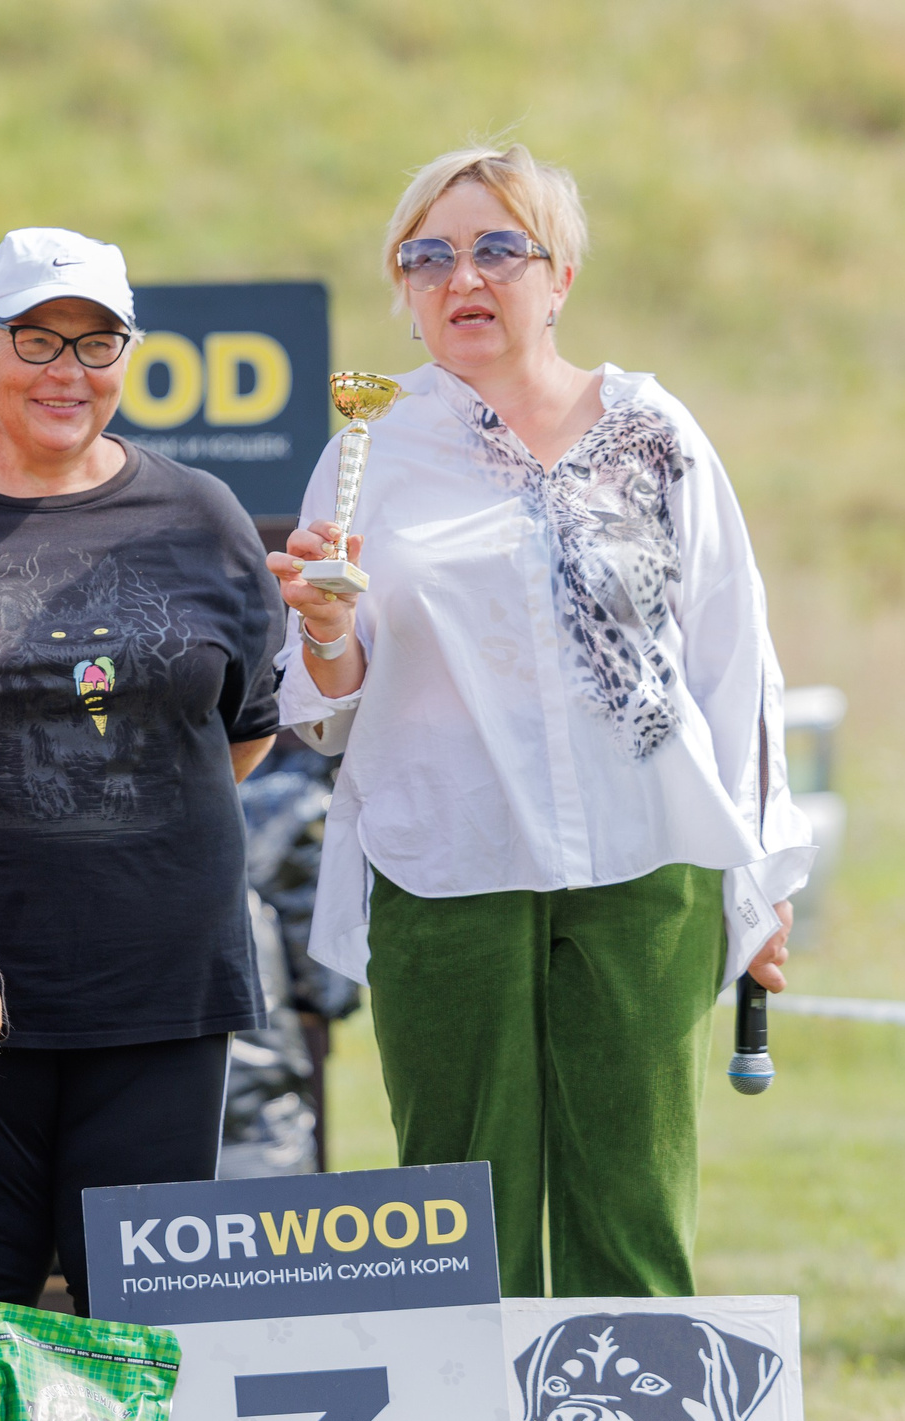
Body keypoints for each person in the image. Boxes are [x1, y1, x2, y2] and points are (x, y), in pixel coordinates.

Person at [271, 144, 815, 1302]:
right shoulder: (369, 451)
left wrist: (759, 883)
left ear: (559, 275)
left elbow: (733, 662)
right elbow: (323, 706)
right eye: (428, 257)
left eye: (496, 249)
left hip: (644, 859)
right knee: (459, 1229)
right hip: (443, 861)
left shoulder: (657, 431)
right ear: (406, 294)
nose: (462, 276)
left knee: (633, 1217)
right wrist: (321, 629)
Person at [0, 228, 285, 1313]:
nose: (66, 372)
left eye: (96, 344)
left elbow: (239, 731)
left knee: (146, 1322)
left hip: (159, 994)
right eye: (35, 339)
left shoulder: (202, 516)